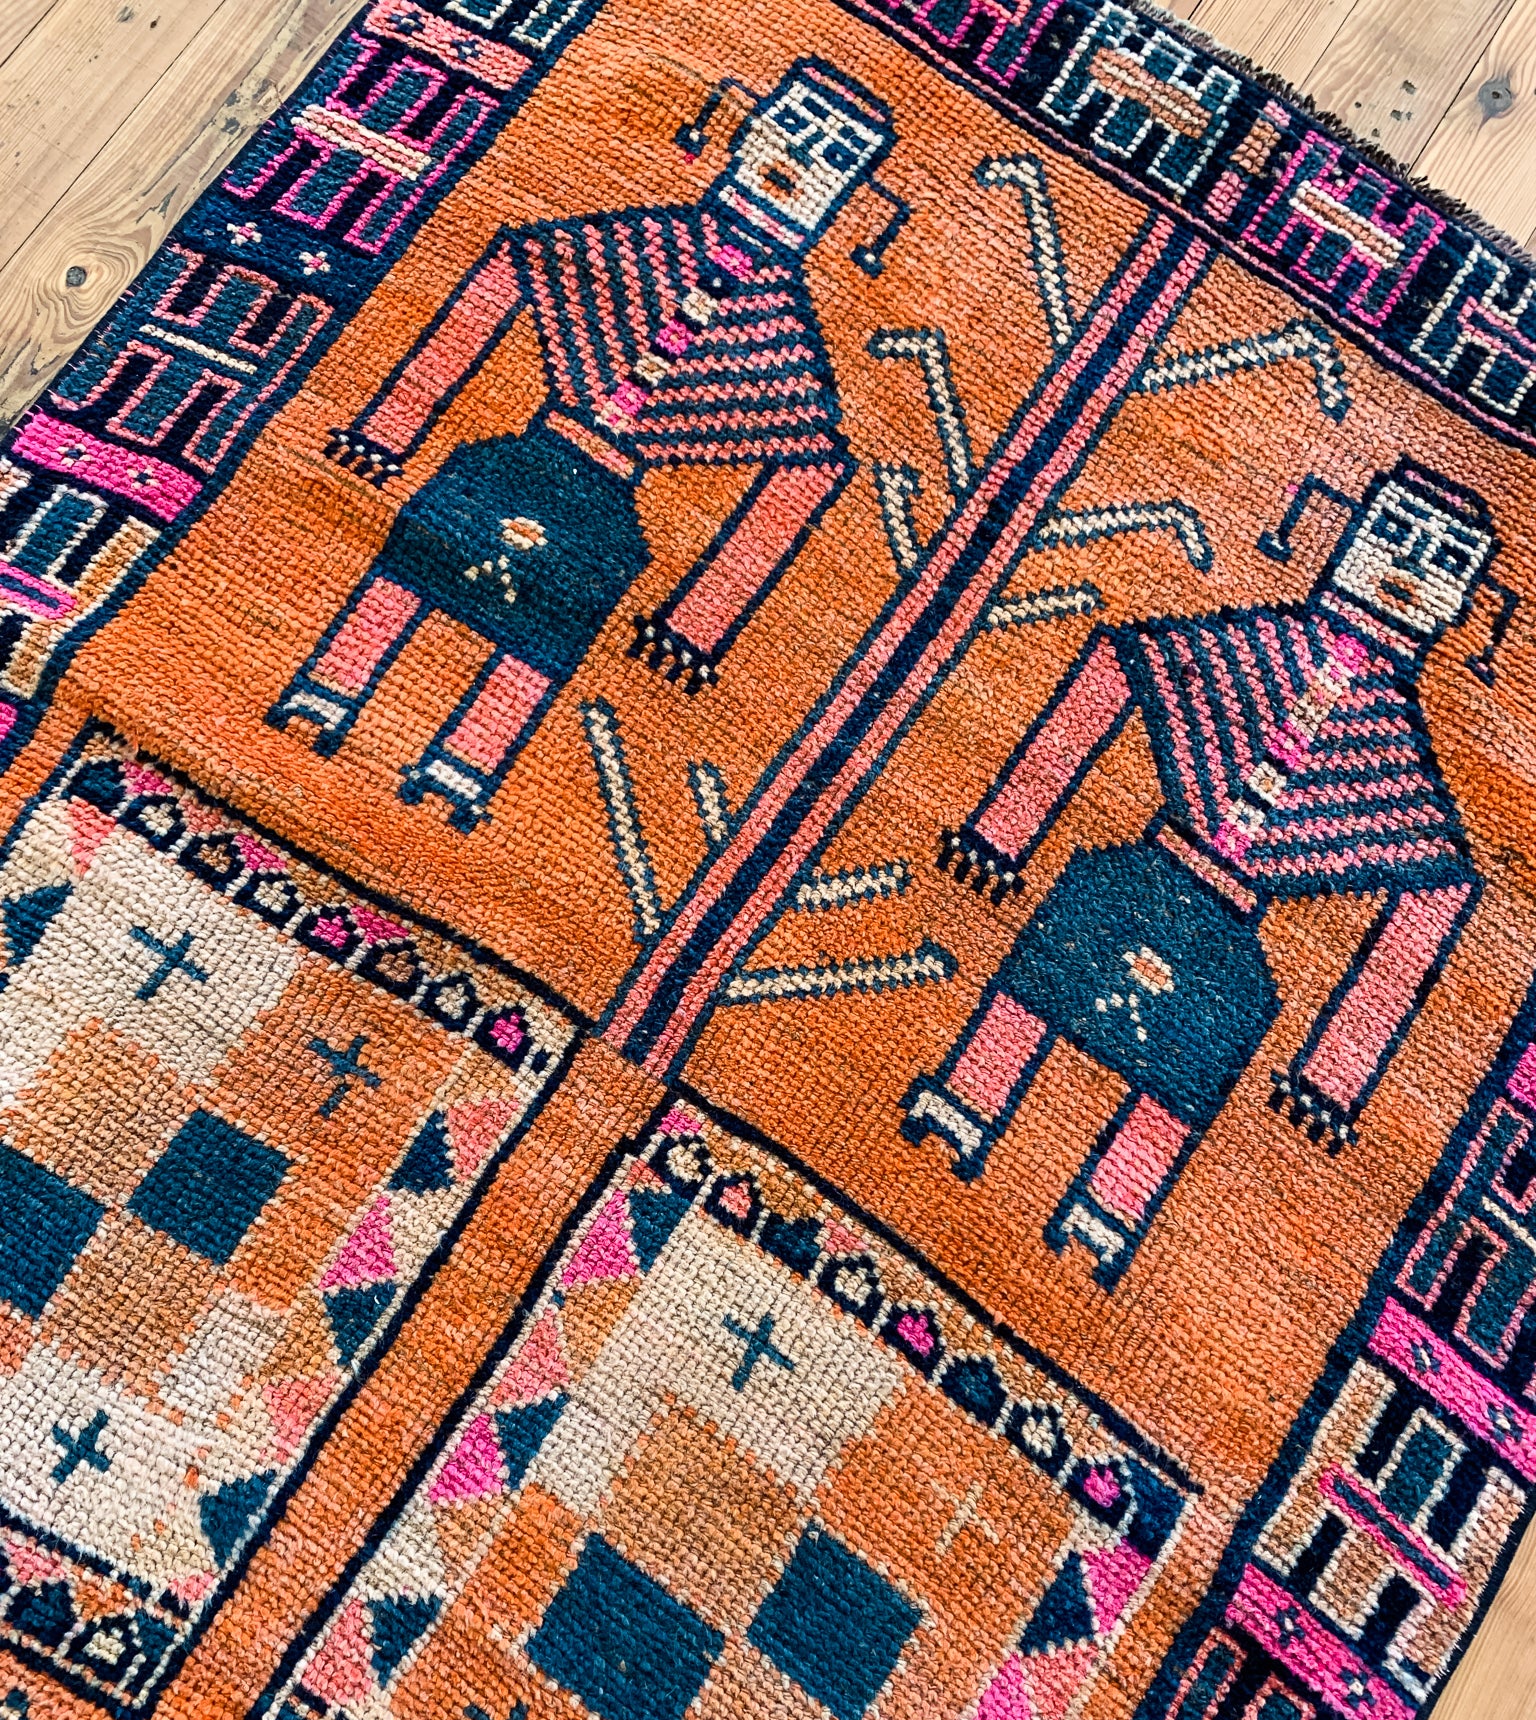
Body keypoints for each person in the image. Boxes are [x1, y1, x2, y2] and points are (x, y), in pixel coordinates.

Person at [903, 459, 1508, 1286]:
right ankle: (964, 1106)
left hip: (1231, 933)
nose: (1409, 564)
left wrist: (1334, 1076)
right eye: (1395, 530)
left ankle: (1108, 1211)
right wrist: (1001, 832)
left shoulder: (1391, 742)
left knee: (1182, 1076)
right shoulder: (1260, 648)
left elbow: (1439, 890)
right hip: (1142, 874)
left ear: (1467, 602)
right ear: (1348, 530)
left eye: (1448, 560)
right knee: (1038, 987)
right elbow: (1118, 663)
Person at [266, 57, 899, 831]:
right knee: (414, 566)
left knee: (537, 644)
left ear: (849, 191)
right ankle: (328, 691)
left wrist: (700, 620)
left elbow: (814, 466)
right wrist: (390, 426)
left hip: (606, 507)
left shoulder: (778, 326)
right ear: (749, 126)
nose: (799, 159)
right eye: (794, 127)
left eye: (835, 154)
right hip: (522, 456)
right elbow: (510, 264)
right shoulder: (645, 244)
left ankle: (463, 769)